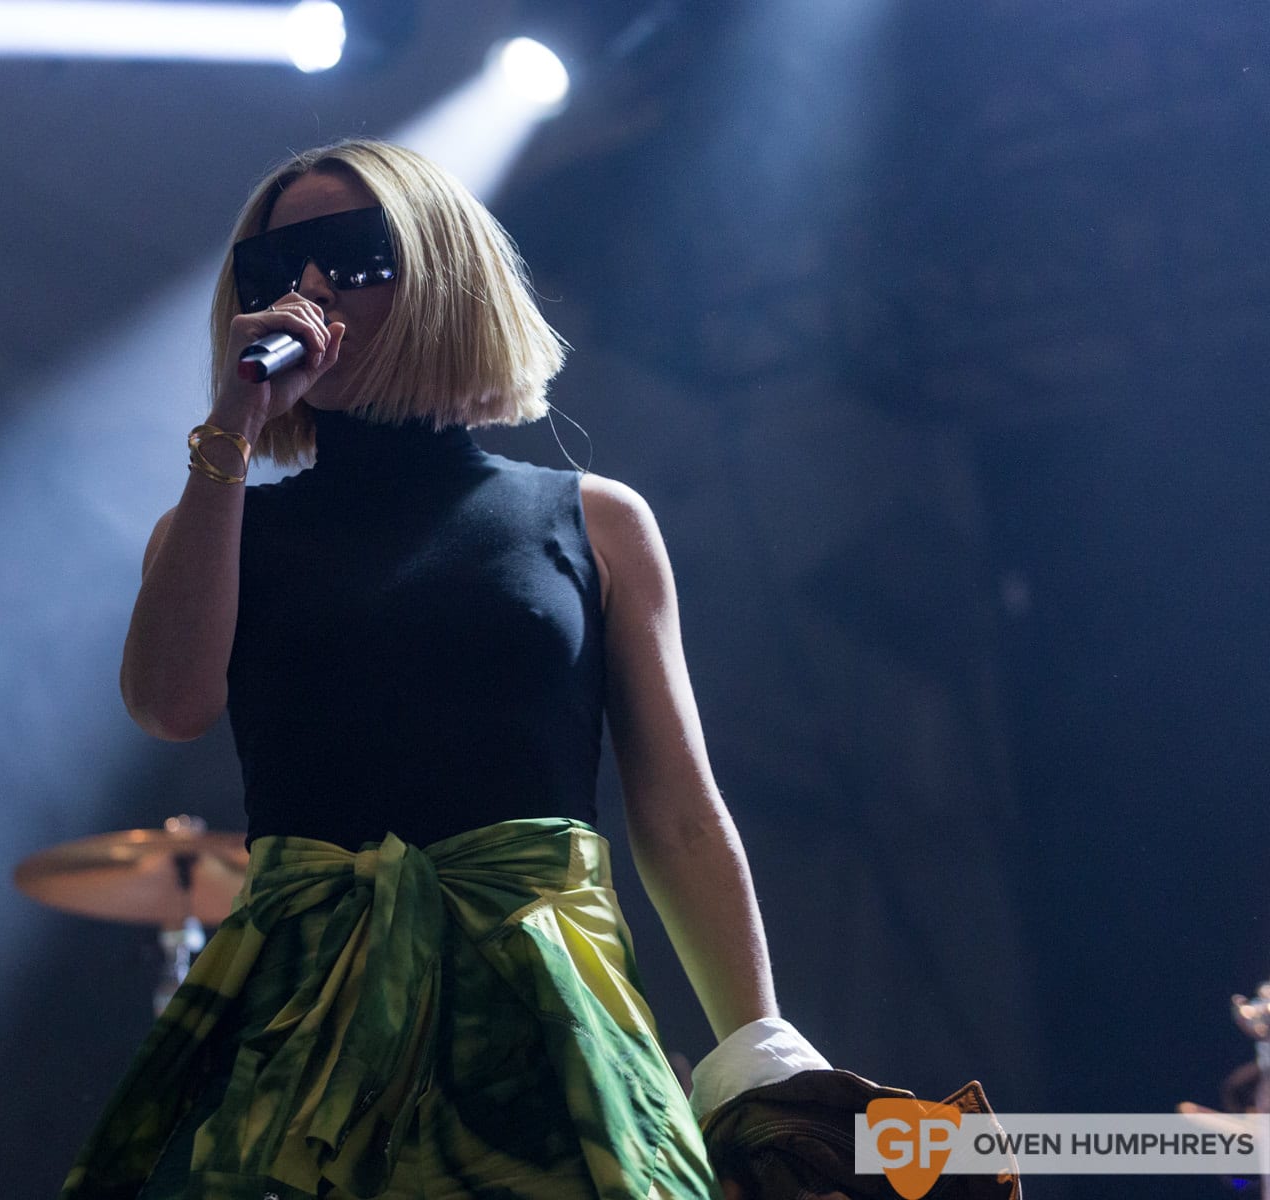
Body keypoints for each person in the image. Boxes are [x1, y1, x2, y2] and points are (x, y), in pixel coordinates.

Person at [60, 138, 827, 1200]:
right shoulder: (214, 526)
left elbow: (682, 817)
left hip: (541, 1002)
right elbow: (167, 704)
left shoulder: (595, 520)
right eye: (276, 268)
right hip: (303, 1018)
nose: (311, 288)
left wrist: (762, 1060)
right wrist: (230, 426)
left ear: (438, 271)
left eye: (350, 254)